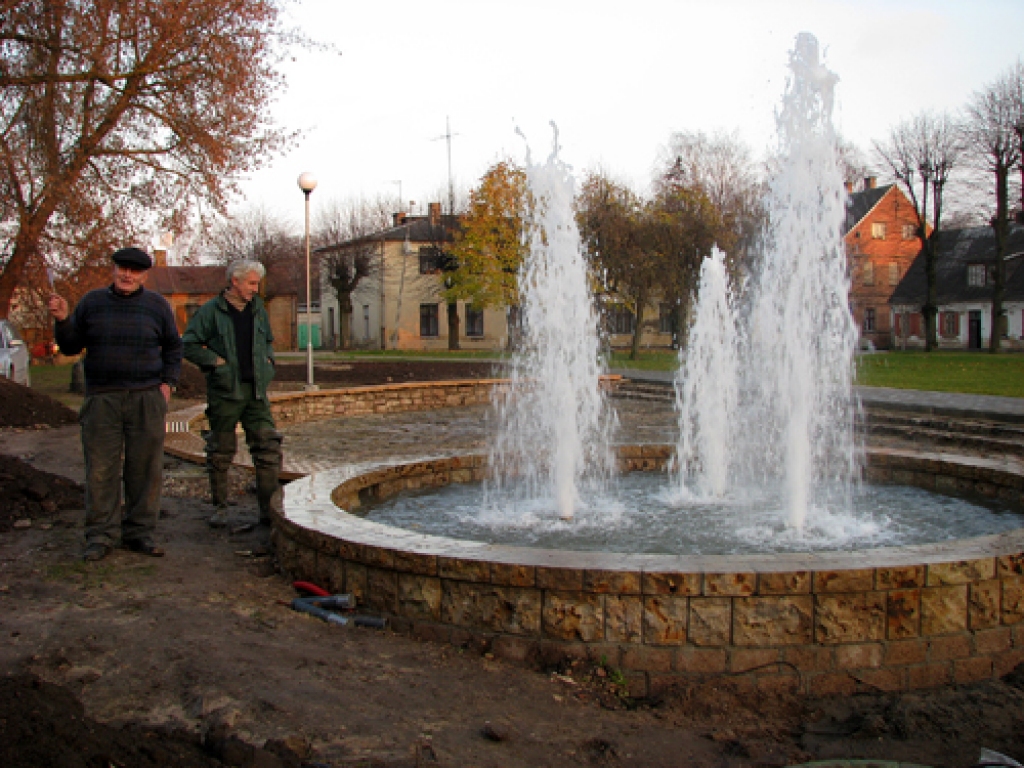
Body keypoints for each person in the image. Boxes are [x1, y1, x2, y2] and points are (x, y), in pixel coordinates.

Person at [49, 247, 182, 561]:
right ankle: (100, 535)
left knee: (144, 469)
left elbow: (174, 347)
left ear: (144, 275)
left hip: (146, 398)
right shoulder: (92, 303)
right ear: (114, 269)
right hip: (102, 399)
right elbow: (70, 345)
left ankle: (139, 533)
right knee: (100, 470)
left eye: (134, 271)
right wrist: (62, 319)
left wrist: (167, 383)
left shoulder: (157, 306)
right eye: (123, 268)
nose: (127, 275)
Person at [181, 259, 282, 528]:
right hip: (225, 393)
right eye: (251, 283)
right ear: (234, 282)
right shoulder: (211, 312)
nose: (255, 288)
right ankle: (220, 508)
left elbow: (268, 341)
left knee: (268, 448)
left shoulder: (258, 309)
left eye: (257, 283)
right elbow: (189, 344)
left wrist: (268, 363)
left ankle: (267, 511)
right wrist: (217, 364)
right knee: (221, 450)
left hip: (256, 393)